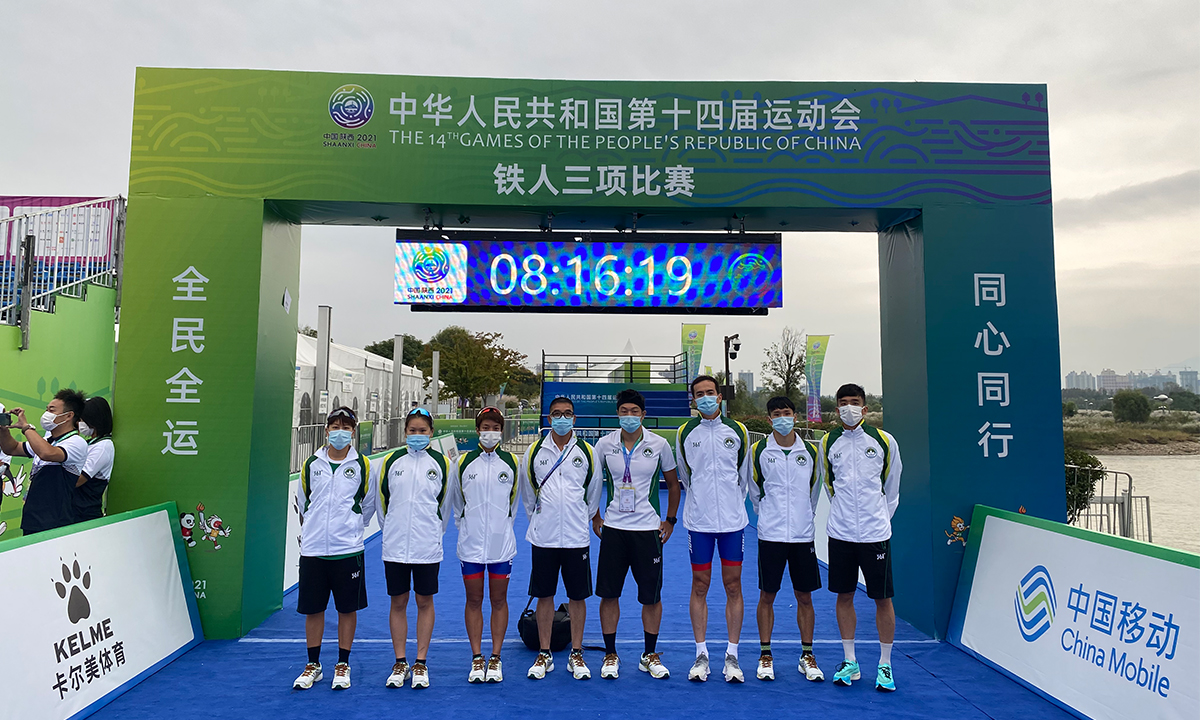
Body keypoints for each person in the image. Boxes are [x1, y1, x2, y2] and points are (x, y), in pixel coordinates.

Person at [591, 389, 680, 680]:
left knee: (651, 598)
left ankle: (649, 654)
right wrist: (596, 515)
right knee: (609, 594)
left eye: (634, 411)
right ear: (618, 414)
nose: (629, 416)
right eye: (624, 411)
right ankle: (610, 653)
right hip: (614, 530)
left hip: (648, 531)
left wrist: (669, 520)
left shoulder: (659, 444)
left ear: (643, 414)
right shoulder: (604, 444)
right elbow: (592, 483)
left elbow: (673, 484)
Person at [820, 383, 902, 692]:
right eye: (843, 403)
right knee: (844, 596)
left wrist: (878, 518)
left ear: (864, 408)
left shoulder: (884, 441)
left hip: (874, 534)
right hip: (841, 534)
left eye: (855, 402)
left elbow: (891, 488)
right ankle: (850, 661)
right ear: (837, 408)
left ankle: (885, 664)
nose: (849, 408)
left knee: (882, 599)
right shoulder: (828, 443)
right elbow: (830, 485)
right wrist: (846, 517)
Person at [292, 406, 375, 691]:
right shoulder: (310, 464)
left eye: (346, 426)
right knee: (313, 610)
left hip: (347, 549)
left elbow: (368, 505)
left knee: (346, 609)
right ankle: (313, 664)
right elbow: (304, 503)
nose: (340, 431)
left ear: (353, 431)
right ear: (327, 430)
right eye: (335, 426)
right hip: (314, 550)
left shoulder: (363, 466)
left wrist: (349, 528)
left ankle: (343, 663)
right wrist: (315, 529)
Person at [675, 375, 751, 683]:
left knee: (733, 585)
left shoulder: (738, 431)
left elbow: (744, 476)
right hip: (700, 523)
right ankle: (701, 654)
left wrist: (733, 504)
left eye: (710, 392)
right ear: (693, 400)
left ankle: (732, 654)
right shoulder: (684, 433)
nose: (705, 398)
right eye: (699, 394)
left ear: (719, 396)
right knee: (700, 585)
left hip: (732, 523)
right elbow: (685, 475)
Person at [520, 396, 601, 681]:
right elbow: (529, 497)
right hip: (544, 537)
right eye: (557, 414)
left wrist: (579, 518)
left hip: (577, 537)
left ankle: (576, 653)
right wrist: (544, 520)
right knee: (544, 595)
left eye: (567, 414)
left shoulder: (588, 453)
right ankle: (544, 653)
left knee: (577, 597)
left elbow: (592, 496)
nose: (562, 418)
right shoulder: (534, 452)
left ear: (574, 419)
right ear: (549, 418)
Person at [378, 407, 455, 690]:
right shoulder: (390, 461)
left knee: (424, 602)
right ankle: (400, 661)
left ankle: (420, 662)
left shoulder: (443, 464)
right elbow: (382, 504)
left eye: (423, 431)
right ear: (405, 432)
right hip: (396, 546)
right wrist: (394, 530)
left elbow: (445, 507)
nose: (418, 435)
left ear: (431, 433)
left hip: (426, 546)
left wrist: (434, 532)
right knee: (398, 603)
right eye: (413, 431)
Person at [749, 396, 825, 682]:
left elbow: (814, 491)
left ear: (796, 416)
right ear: (770, 420)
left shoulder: (811, 453)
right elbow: (754, 492)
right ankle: (765, 655)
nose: (783, 418)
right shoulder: (759, 451)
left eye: (787, 413)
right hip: (771, 535)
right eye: (777, 414)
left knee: (804, 597)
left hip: (802, 536)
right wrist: (768, 516)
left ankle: (807, 655)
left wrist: (804, 516)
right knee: (767, 595)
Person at [453, 406, 521, 683]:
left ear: (501, 431)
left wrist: (500, 529)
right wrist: (467, 528)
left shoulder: (513, 462)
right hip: (470, 543)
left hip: (500, 543)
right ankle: (477, 657)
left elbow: (514, 504)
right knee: (473, 599)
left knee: (498, 599)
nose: (490, 432)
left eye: (495, 427)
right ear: (477, 429)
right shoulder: (463, 462)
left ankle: (495, 657)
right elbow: (457, 503)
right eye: (485, 426)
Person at [0, 389, 88, 535]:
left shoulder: (76, 443)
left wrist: (26, 427)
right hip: (33, 519)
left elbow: (47, 453)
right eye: (46, 409)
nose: (46, 414)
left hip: (55, 521)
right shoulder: (47, 441)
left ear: (68, 415)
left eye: (52, 410)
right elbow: (13, 448)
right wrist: (3, 430)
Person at [74, 397, 114, 522]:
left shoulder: (103, 446)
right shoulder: (90, 443)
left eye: (81, 420)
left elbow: (78, 480)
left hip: (85, 514)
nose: (78, 423)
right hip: (74, 510)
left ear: (93, 420)